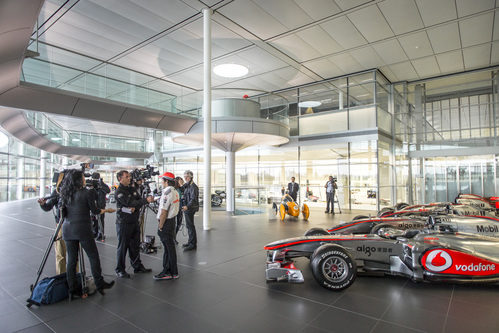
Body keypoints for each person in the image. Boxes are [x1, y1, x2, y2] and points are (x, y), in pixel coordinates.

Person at [59, 169, 115, 298]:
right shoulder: (87, 193)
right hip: (83, 229)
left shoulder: (65, 193)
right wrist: (106, 210)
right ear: (79, 180)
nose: (85, 179)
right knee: (93, 256)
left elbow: (61, 212)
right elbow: (95, 211)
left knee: (72, 260)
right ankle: (99, 283)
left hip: (68, 229)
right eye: (83, 177)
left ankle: (72, 289)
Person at [115, 170, 154, 278]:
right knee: (122, 247)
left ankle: (137, 266)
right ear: (120, 179)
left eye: (129, 176)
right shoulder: (119, 192)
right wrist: (143, 201)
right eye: (126, 177)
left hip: (134, 221)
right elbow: (131, 203)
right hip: (123, 223)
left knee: (135, 246)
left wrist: (139, 203)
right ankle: (120, 269)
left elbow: (137, 201)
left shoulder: (132, 189)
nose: (129, 178)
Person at [154, 172, 180, 280]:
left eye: (162, 180)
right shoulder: (175, 191)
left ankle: (168, 271)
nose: (161, 182)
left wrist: (160, 226)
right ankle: (173, 271)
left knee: (168, 248)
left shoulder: (167, 192)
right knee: (170, 248)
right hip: (172, 221)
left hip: (166, 223)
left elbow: (164, 211)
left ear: (166, 181)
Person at [37, 173, 66, 274]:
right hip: (61, 226)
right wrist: (43, 204)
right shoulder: (57, 192)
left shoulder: (74, 192)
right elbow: (48, 207)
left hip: (72, 225)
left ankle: (74, 279)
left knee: (73, 255)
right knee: (61, 253)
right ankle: (61, 277)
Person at [181, 170, 199, 251]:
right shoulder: (187, 185)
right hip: (187, 208)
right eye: (184, 176)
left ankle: (192, 244)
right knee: (189, 226)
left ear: (191, 177)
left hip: (190, 208)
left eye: (187, 176)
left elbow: (193, 199)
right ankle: (190, 242)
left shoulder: (193, 187)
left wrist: (187, 207)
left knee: (190, 226)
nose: (185, 178)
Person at [93, 173, 110, 241]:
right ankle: (95, 232)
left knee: (101, 220)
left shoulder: (102, 184)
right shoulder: (92, 185)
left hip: (101, 205)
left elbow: (108, 190)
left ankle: (101, 233)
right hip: (93, 205)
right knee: (94, 219)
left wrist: (101, 186)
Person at [174, 176, 184, 244]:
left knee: (179, 223)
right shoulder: (174, 189)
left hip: (180, 208)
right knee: (173, 224)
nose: (182, 181)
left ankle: (174, 237)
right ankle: (173, 238)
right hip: (175, 208)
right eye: (180, 180)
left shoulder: (181, 188)